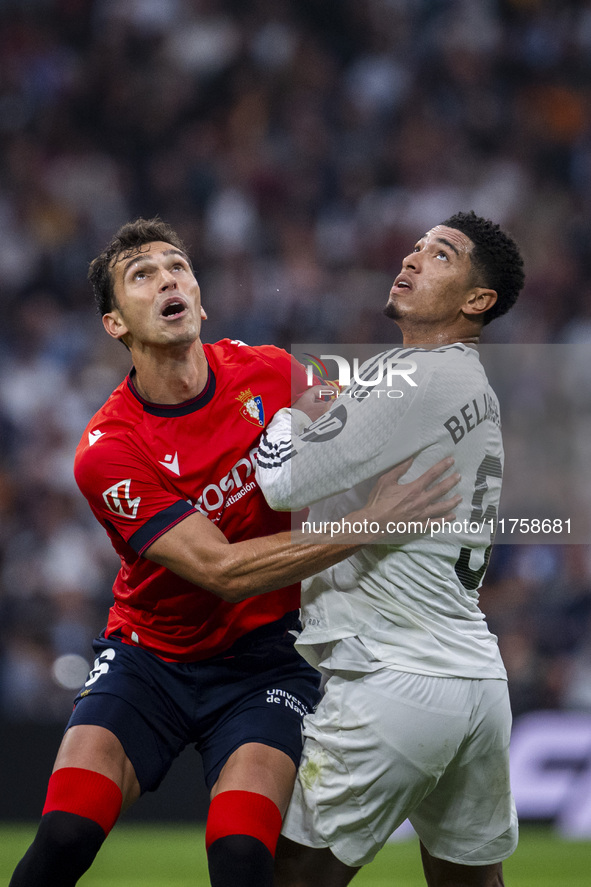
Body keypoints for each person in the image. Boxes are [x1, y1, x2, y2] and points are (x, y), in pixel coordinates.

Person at [9, 218, 460, 887]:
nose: (166, 277)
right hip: (148, 658)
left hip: (263, 661)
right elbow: (221, 570)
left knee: (242, 853)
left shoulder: (273, 372)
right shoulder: (108, 450)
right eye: (142, 273)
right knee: (65, 834)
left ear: (199, 296)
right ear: (114, 323)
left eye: (177, 266)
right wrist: (368, 522)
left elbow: (374, 441)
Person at [255, 211, 525, 887]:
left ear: (476, 300)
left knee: (286, 877)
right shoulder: (471, 387)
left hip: (393, 680)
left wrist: (289, 414)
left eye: (439, 254)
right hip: (474, 680)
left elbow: (285, 481)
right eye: (414, 247)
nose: (411, 258)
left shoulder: (414, 373)